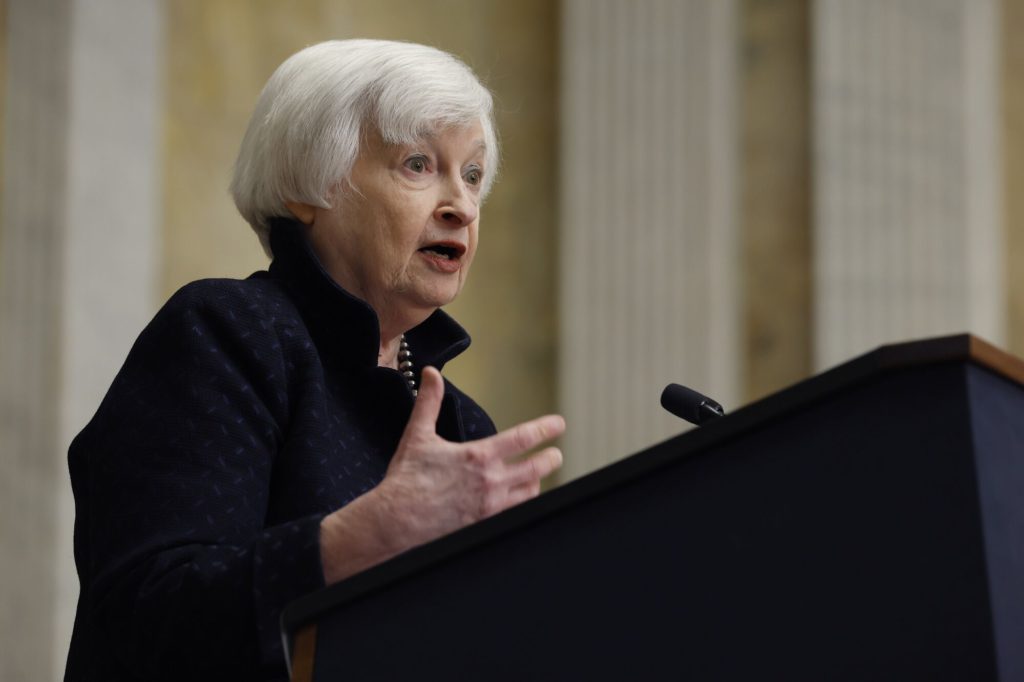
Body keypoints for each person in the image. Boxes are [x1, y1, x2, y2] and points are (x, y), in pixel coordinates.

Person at [65, 39, 565, 681]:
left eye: (471, 175)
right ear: (309, 187)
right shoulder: (228, 334)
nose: (462, 207)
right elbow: (148, 613)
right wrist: (366, 537)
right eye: (418, 164)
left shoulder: (461, 428)